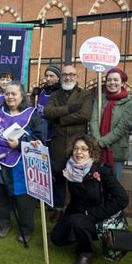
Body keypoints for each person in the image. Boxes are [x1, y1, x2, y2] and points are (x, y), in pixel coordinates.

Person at [0, 80, 47, 243]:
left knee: (23, 199)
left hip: (20, 164)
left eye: (14, 93)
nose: (10, 97)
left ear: (22, 95)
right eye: (7, 94)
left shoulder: (32, 115)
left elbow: (40, 140)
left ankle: (26, 229)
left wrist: (20, 144)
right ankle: (3, 224)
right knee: (0, 197)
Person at [50, 134, 129, 264]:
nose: (78, 152)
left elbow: (122, 198)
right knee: (57, 238)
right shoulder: (69, 165)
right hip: (77, 211)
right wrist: (36, 150)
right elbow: (52, 167)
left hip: (99, 217)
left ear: (91, 152)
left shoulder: (101, 170)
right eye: (75, 148)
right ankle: (80, 236)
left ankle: (86, 252)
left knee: (76, 221)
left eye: (84, 149)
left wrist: (92, 214)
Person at [43, 64, 94, 222]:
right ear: (61, 77)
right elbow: (47, 112)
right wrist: (70, 109)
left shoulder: (85, 94)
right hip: (58, 144)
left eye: (72, 74)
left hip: (77, 143)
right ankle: (58, 209)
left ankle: (77, 210)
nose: (68, 77)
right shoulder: (55, 94)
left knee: (78, 179)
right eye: (65, 74)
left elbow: (85, 115)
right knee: (58, 178)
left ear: (76, 77)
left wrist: (61, 119)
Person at [89, 68, 132, 182]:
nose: (112, 83)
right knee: (95, 184)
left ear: (123, 83)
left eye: (116, 80)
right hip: (97, 151)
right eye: (109, 80)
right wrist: (97, 140)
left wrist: (100, 142)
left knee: (113, 186)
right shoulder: (100, 99)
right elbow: (93, 121)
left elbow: (121, 129)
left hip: (116, 152)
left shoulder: (129, 104)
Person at [31, 64, 62, 141]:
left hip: (52, 132)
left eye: (51, 76)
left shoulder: (60, 92)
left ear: (58, 77)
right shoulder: (42, 90)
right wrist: (33, 96)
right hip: (39, 129)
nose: (48, 79)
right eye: (46, 76)